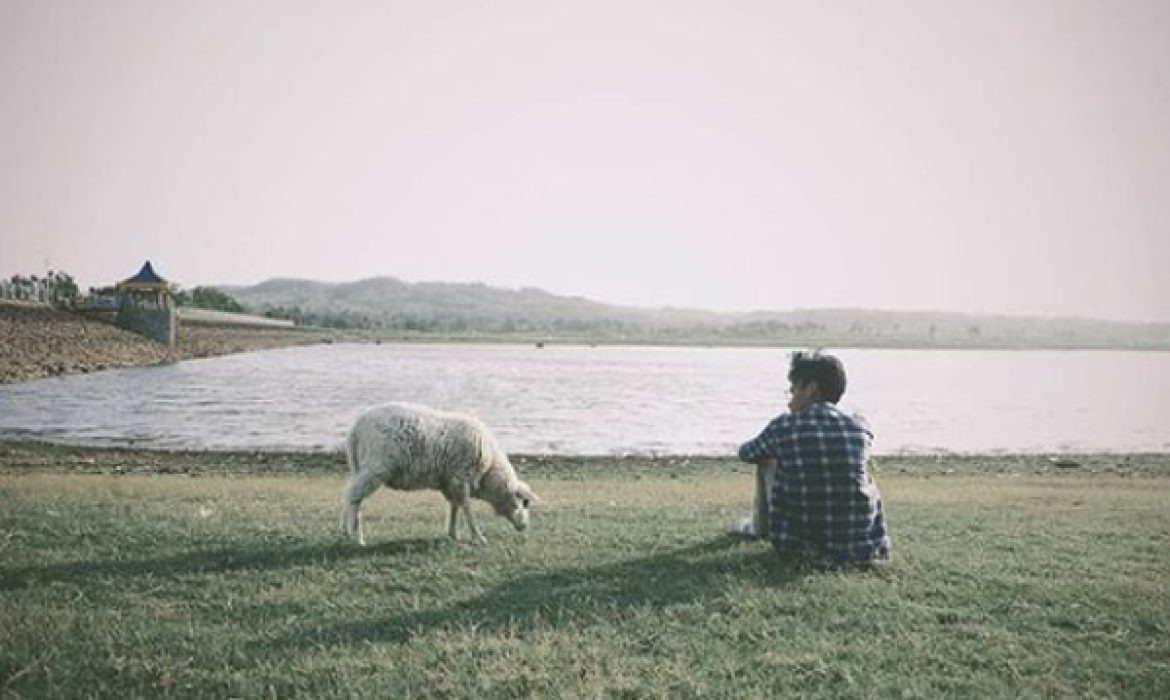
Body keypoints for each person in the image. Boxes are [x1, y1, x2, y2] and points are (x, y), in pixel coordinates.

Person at [737, 350, 891, 568]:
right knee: (857, 468)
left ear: (811, 389)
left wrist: (780, 447)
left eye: (792, 390)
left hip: (798, 549)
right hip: (863, 548)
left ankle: (758, 528)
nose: (789, 401)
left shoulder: (784, 426)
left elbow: (746, 453)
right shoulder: (859, 426)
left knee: (767, 459)